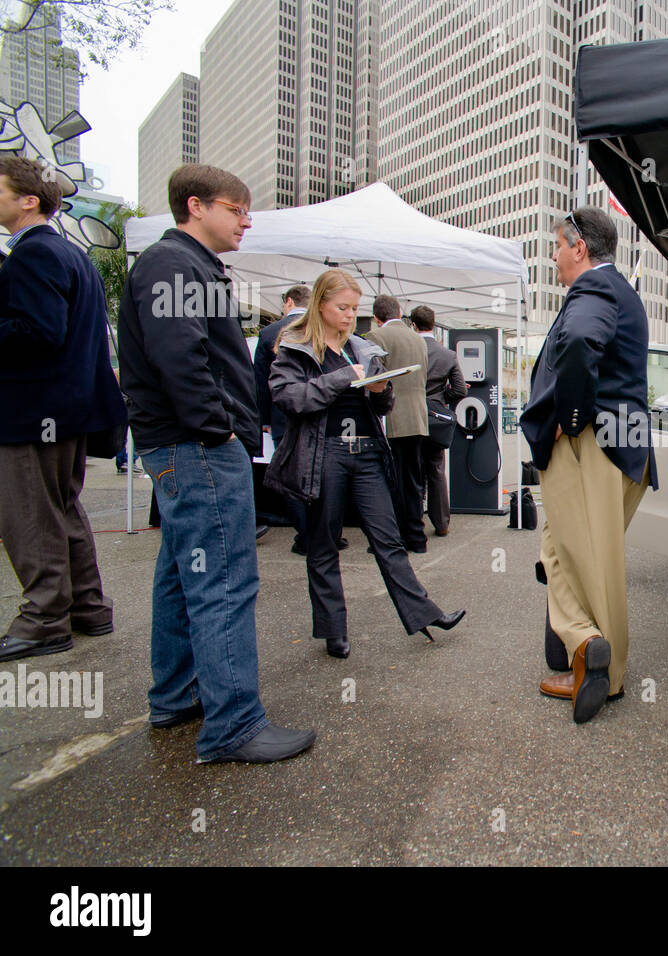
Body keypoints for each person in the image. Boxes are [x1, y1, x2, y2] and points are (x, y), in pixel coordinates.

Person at [118, 163, 315, 764]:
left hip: (183, 445)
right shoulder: (175, 265)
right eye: (237, 209)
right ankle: (233, 724)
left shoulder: (179, 265)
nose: (246, 220)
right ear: (196, 205)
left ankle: (177, 695)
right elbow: (182, 359)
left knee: (183, 574)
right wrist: (220, 430)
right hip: (196, 446)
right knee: (224, 579)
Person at [266, 269, 465, 660]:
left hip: (369, 452)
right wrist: (342, 379)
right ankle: (333, 631)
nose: (348, 315)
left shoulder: (360, 347)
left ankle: (424, 613)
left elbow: (380, 407)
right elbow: (289, 398)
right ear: (320, 304)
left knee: (388, 539)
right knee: (323, 544)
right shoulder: (294, 347)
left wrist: (380, 390)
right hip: (325, 453)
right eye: (342, 307)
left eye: (354, 308)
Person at [520, 207, 658, 724]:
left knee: (587, 564)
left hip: (593, 446)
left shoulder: (594, 290)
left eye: (558, 246)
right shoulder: (619, 288)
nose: (553, 257)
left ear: (579, 247)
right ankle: (588, 649)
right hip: (620, 444)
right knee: (566, 552)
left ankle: (603, 664)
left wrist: (569, 417)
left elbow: (579, 343)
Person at [0, 156, 127, 663]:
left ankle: (45, 616)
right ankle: (86, 606)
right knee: (61, 507)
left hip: (34, 410)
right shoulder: (71, 254)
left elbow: (38, 333)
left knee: (31, 515)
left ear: (28, 199)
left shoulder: (33, 255)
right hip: (63, 411)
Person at [254, 284, 348, 555]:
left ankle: (307, 535)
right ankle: (332, 533)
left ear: (288, 302)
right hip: (326, 414)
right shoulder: (329, 328)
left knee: (293, 476)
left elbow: (261, 384)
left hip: (284, 415)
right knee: (328, 475)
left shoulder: (270, 333)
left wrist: (262, 418)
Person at [365, 296, 429, 551]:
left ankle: (394, 538)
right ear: (399, 312)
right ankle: (416, 537)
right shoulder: (418, 339)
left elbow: (374, 380)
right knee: (413, 481)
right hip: (418, 417)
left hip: (391, 419)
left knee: (391, 483)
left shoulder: (375, 337)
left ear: (376, 317)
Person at [410, 305, 466, 537]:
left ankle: (414, 523)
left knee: (412, 470)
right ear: (434, 324)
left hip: (410, 415)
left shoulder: (409, 351)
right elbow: (460, 390)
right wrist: (442, 397)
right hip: (435, 416)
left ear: (413, 325)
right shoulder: (447, 354)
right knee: (435, 470)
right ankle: (441, 523)